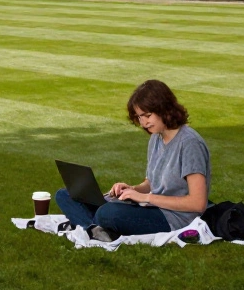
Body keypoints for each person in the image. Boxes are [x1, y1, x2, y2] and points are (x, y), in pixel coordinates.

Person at [55, 79, 211, 242]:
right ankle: (95, 229)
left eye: (147, 115)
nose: (143, 123)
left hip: (175, 219)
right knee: (65, 195)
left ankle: (87, 224)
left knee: (106, 213)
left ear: (165, 108)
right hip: (153, 207)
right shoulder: (156, 138)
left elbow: (197, 203)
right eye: (139, 117)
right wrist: (132, 189)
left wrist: (145, 198)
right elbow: (151, 183)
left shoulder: (190, 143)